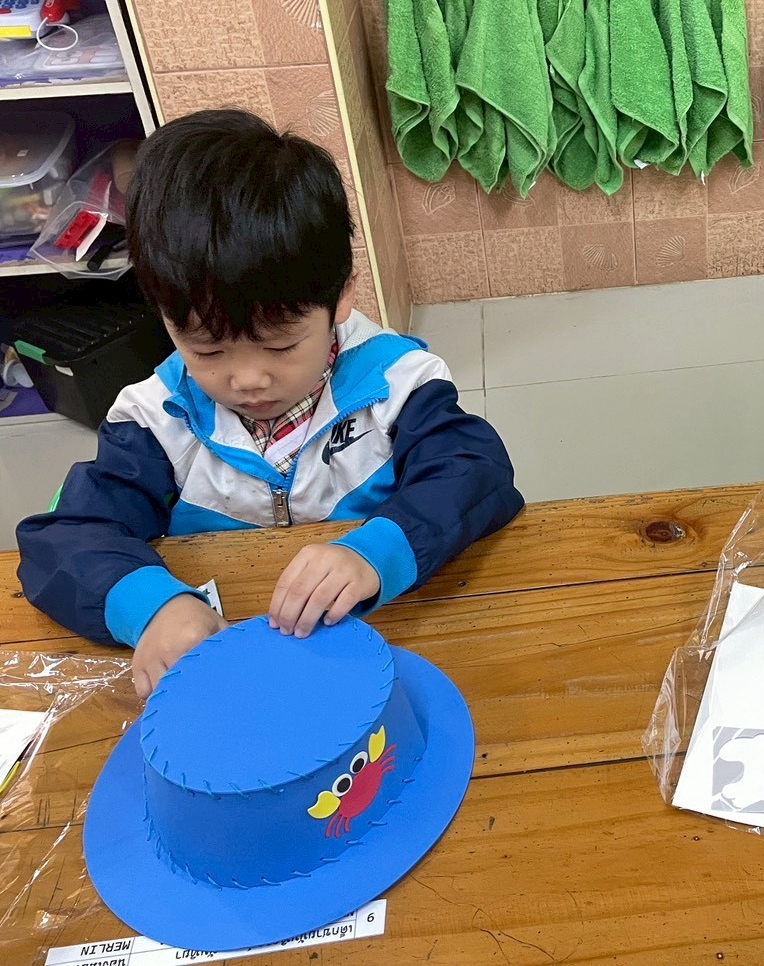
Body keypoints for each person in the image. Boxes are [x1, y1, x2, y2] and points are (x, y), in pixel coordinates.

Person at [16, 110, 523, 696]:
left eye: (281, 345)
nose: (249, 379)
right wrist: (152, 606)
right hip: (239, 669)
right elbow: (64, 538)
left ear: (340, 295)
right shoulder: (156, 420)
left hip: (388, 644)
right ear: (165, 318)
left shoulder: (397, 384)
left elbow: (475, 472)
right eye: (207, 350)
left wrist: (374, 552)